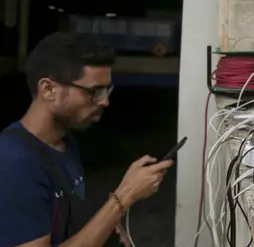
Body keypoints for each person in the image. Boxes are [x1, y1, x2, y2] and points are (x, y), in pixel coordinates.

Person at [0, 32, 173, 247]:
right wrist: (123, 197)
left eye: (107, 90)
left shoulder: (65, 143)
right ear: (48, 89)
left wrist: (106, 229)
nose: (105, 102)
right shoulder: (14, 163)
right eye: (94, 92)